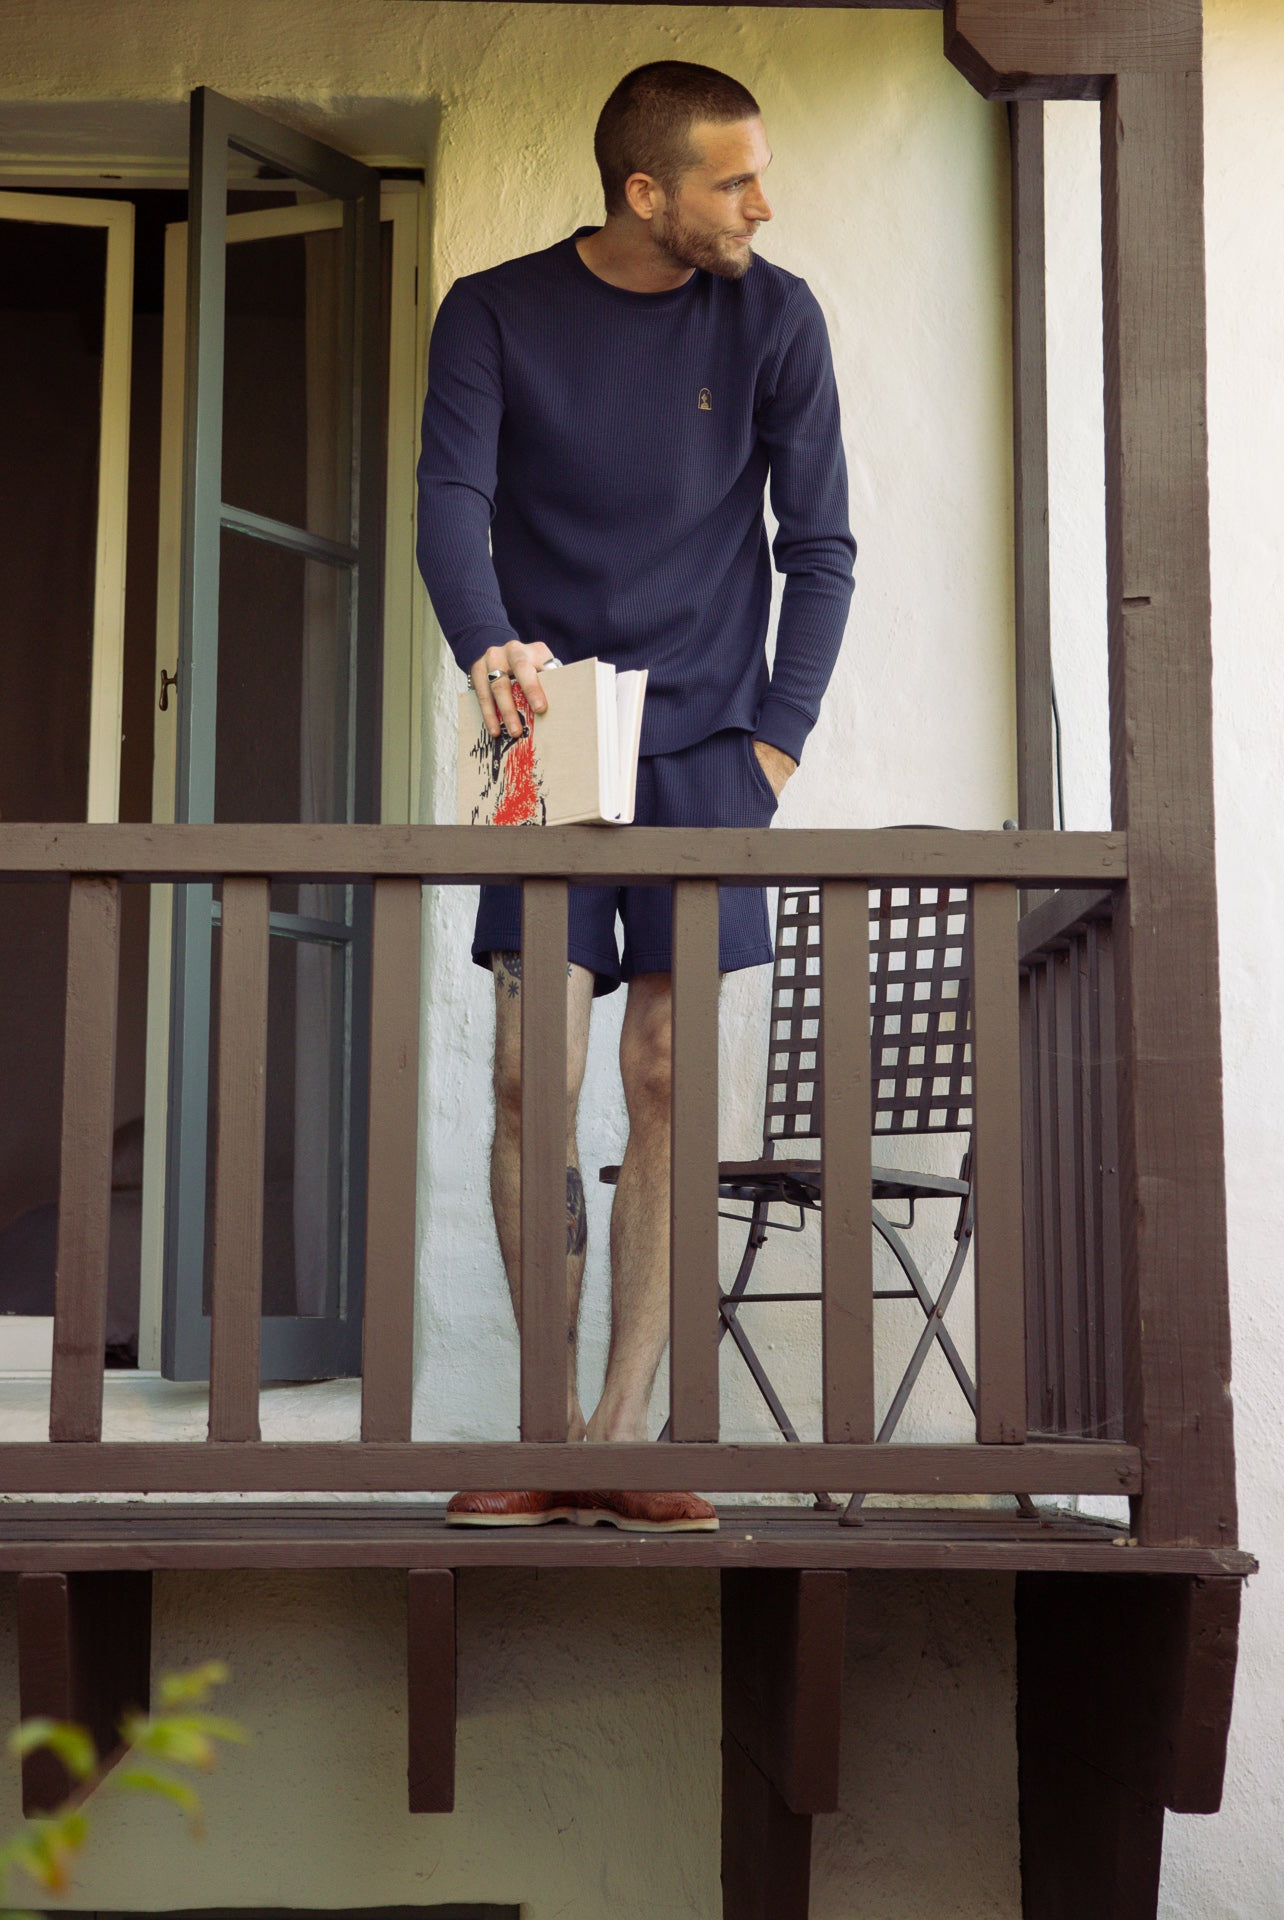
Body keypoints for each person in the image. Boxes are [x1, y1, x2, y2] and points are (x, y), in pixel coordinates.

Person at [416, 60, 855, 1531]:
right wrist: (488, 646)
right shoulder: (491, 312)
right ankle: (548, 1428)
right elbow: (449, 507)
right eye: (736, 180)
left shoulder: (775, 315)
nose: (762, 202)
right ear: (647, 193)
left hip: (710, 750)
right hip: (557, 741)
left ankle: (628, 1430)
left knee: (667, 1075)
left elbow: (825, 546)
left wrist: (776, 745)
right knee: (533, 1072)